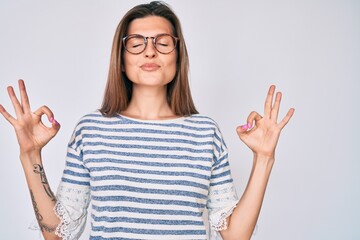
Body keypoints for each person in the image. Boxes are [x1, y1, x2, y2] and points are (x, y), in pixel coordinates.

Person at [0, 1, 294, 240]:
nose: (150, 50)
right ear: (122, 58)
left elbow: (234, 236)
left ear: (178, 56)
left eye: (163, 42)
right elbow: (58, 235)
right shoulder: (91, 130)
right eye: (137, 43)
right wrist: (30, 154)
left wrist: (264, 158)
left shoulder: (205, 133)